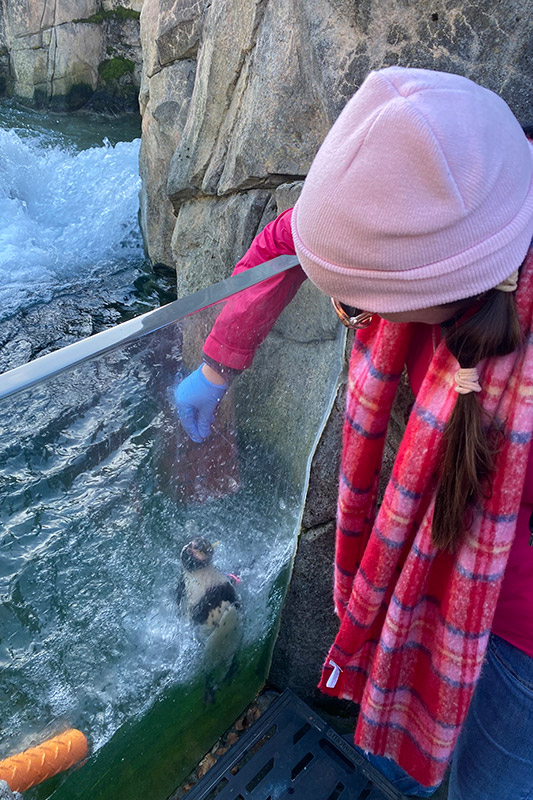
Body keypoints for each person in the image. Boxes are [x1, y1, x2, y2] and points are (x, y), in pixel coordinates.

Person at [175, 67, 533, 798]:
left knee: (492, 776)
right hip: (422, 561)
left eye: (357, 311)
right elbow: (292, 237)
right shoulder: (441, 201)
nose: (349, 318)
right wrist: (216, 365)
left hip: (517, 625)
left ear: (444, 288)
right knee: (401, 744)